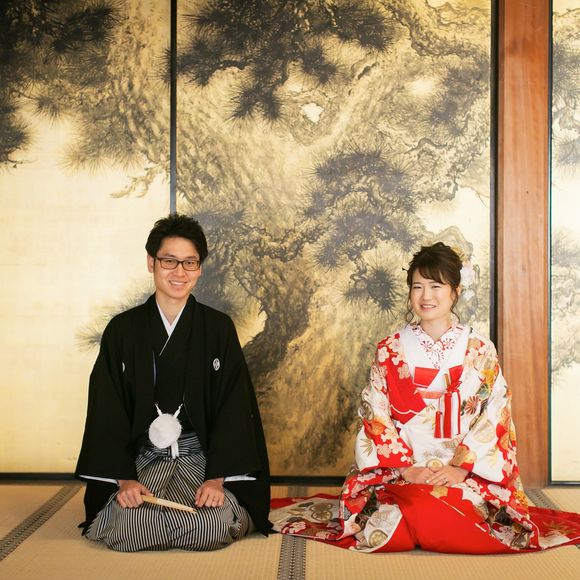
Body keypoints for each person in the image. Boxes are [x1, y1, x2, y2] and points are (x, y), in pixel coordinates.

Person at [270, 242, 580, 553]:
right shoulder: (390, 349)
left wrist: (460, 469)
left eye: (435, 286)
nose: (425, 296)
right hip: (403, 470)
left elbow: (495, 412)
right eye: (417, 286)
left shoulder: (479, 349)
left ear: (455, 291)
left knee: (458, 511)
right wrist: (407, 469)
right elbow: (375, 412)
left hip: (462, 473)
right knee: (394, 525)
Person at [76, 214, 271, 552]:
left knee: (211, 524)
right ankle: (149, 517)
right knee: (131, 525)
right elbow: (107, 409)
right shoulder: (122, 330)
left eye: (189, 263)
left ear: (199, 268)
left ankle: (200, 516)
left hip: (202, 456)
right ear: (151, 262)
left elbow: (234, 407)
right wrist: (125, 479)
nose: (179, 272)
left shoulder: (218, 328)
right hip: (143, 457)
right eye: (169, 261)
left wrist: (217, 479)